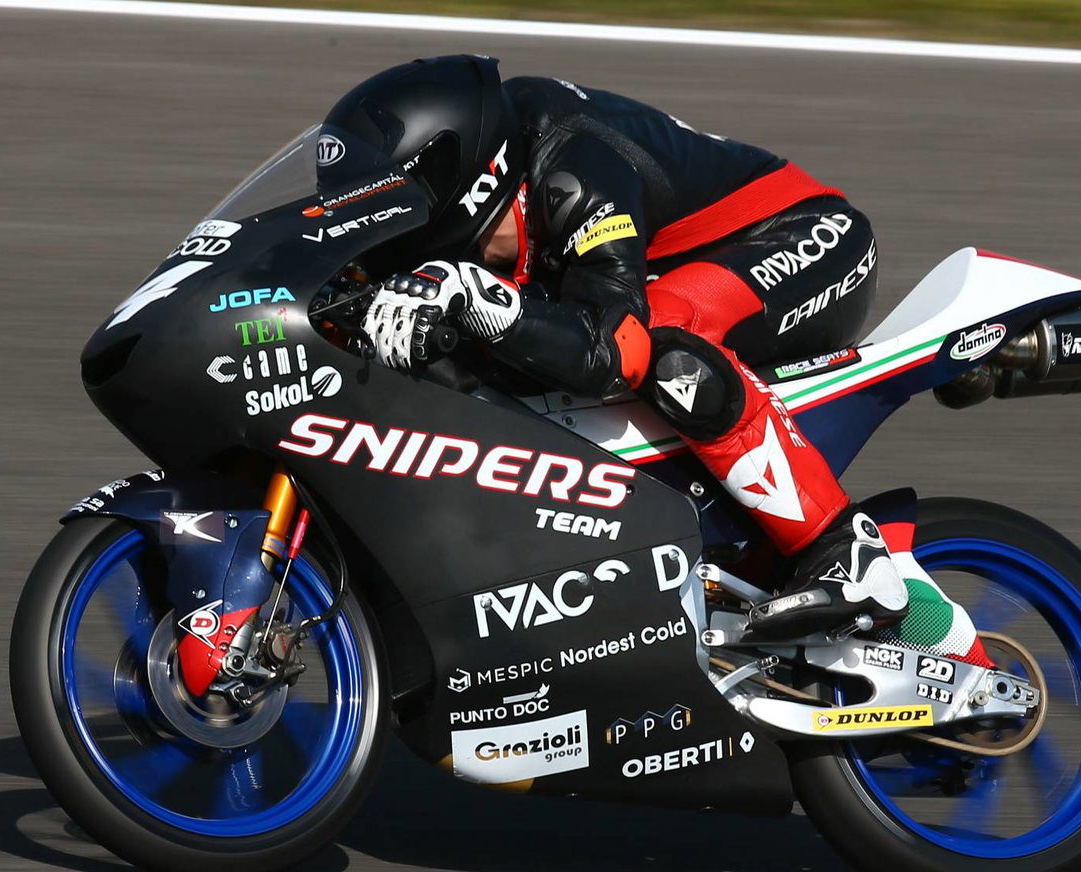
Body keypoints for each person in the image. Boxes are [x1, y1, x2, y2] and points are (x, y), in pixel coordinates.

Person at [318, 55, 906, 638]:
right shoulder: (485, 168)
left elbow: (614, 348)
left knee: (662, 337)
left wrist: (489, 301)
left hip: (805, 237)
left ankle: (844, 548)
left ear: (466, 189)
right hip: (668, 268)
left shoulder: (577, 166)